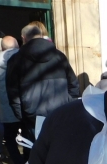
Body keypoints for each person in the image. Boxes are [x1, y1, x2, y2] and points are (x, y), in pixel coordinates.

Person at [6, 23, 80, 154]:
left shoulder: (16, 60)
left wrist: (22, 115)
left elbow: (13, 93)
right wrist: (68, 104)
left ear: (23, 38)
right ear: (41, 36)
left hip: (33, 117)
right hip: (60, 114)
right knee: (62, 154)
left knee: (38, 158)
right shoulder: (59, 56)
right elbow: (73, 84)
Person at [0, 36, 26, 164]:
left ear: (2, 48)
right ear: (17, 46)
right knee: (28, 137)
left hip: (7, 107)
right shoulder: (26, 59)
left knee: (10, 138)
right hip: (27, 107)